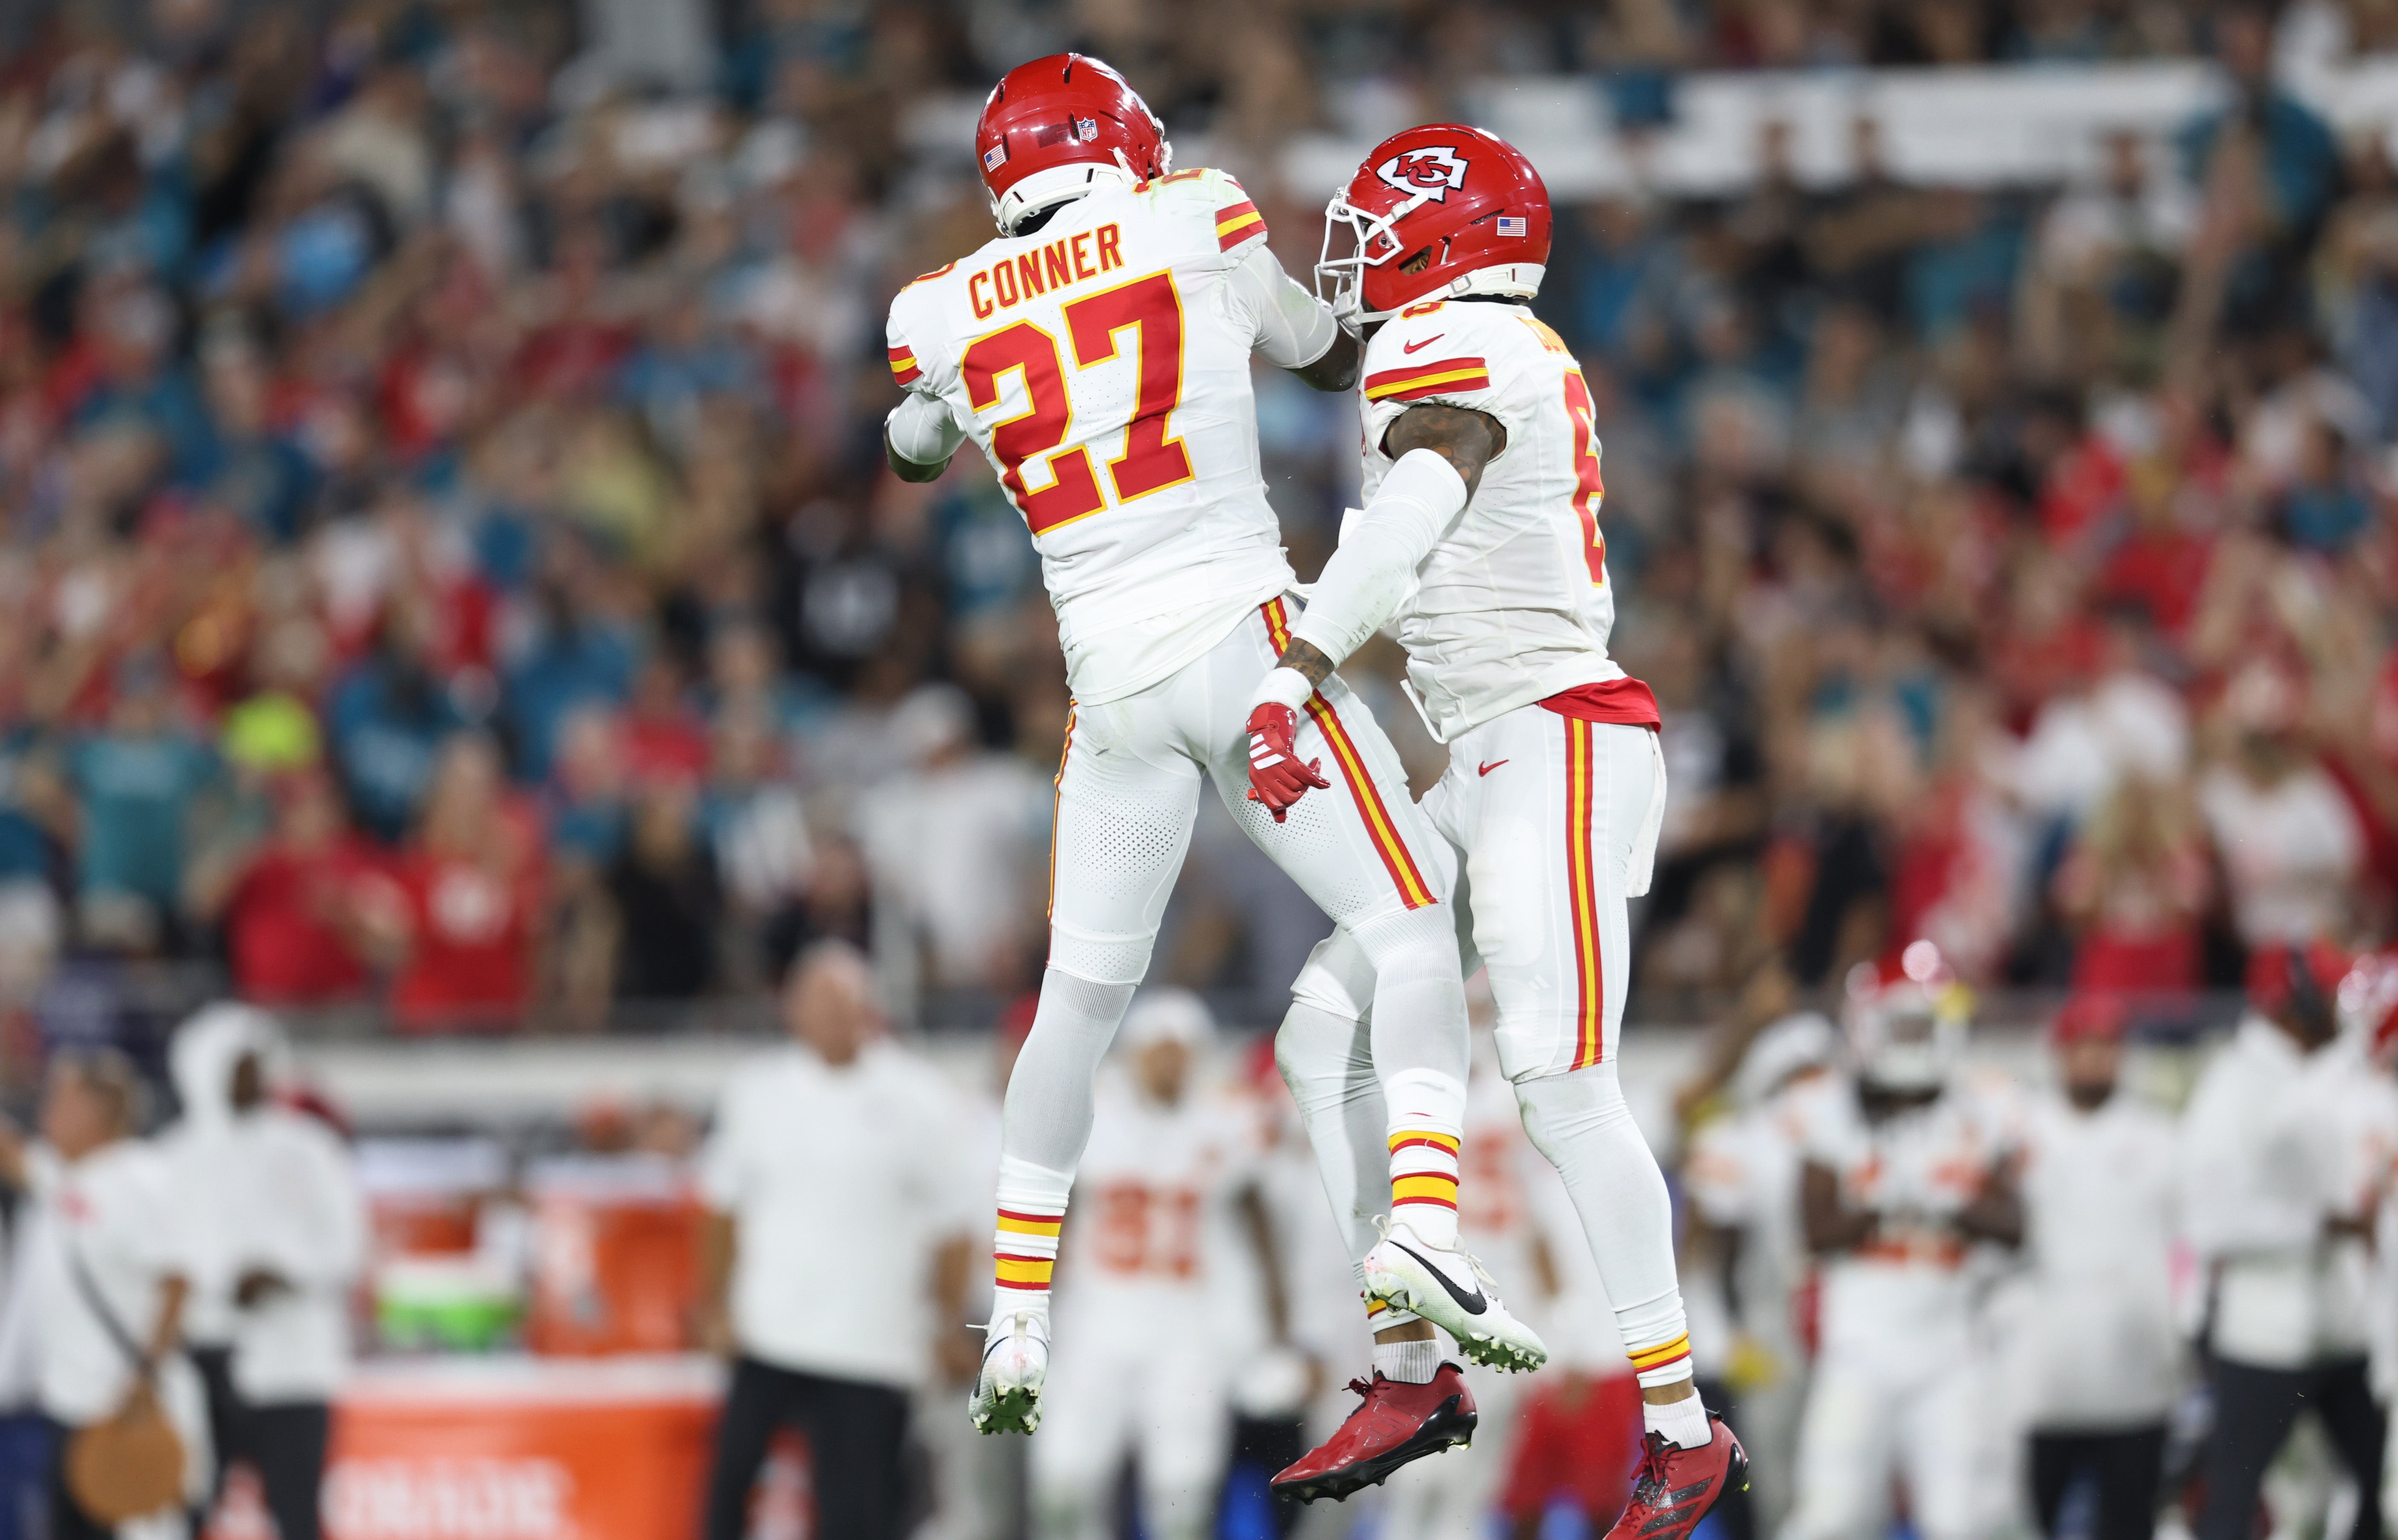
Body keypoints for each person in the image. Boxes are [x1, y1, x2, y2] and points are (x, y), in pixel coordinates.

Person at [879, 56, 1537, 1435]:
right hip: (1243, 645)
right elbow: (1317, 349)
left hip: (1109, 692)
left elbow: (915, 448)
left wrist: (930, 413)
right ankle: (1423, 1225)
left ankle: (1016, 1315)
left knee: (1076, 1004)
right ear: (1119, 141)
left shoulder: (931, 309)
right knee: (1414, 920)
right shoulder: (1196, 211)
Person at [1248, 124, 1739, 1529]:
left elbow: (1414, 509)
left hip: (1557, 739)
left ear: (1445, 241)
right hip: (1485, 750)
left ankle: (1681, 1429)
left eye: (1372, 234)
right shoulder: (1458, 341)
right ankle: (1413, 1372)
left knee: (1562, 1083)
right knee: (1319, 1035)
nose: (1351, 262)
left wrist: (1296, 671)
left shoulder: (1453, 342)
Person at [695, 941, 979, 1540]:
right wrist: (715, 1305)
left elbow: (955, 1227)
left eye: (843, 1002)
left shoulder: (920, 1098)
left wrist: (947, 1323)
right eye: (818, 1002)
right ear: (792, 1009)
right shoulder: (757, 1091)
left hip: (872, 1343)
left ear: (869, 1011)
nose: (830, 1016)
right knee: (728, 1490)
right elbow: (722, 1210)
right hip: (768, 1328)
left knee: (858, 1514)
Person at [1783, 945, 2023, 1540]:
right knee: (1832, 1517)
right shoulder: (1828, 1106)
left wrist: (1951, 1206)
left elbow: (2013, 1226)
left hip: (1951, 1347)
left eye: (1924, 1022)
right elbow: (1815, 1231)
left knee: (1960, 1521)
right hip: (1858, 1346)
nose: (1915, 1037)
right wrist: (1884, 1204)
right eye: (1903, 1023)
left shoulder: (1983, 1103)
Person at [1030, 990, 1280, 1540]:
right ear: (1132, 1054)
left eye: (1180, 1052)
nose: (1169, 1065)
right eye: (1158, 1052)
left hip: (1187, 1323)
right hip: (1098, 1314)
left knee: (1181, 1486)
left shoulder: (1225, 1120)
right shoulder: (1089, 1113)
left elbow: (1257, 1223)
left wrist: (1269, 1326)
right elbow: (1053, 1219)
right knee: (1065, 1476)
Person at [2183, 944, 2389, 1540]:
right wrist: (2319, 1225)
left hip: (2342, 1324)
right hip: (2265, 1333)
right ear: (2288, 1003)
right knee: (2232, 1502)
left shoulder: (2324, 1072)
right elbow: (2209, 1224)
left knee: (2376, 1484)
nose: (2341, 1010)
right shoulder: (2234, 1088)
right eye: (2327, 995)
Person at [161, 1003, 364, 1540]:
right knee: (186, 1513)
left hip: (292, 1363)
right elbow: (161, 1260)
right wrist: (218, 1285)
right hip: (201, 1360)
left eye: (257, 1065)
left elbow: (347, 1245)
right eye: (237, 1067)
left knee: (296, 1516)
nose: (252, 1080)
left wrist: (285, 1274)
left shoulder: (308, 1148)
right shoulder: (172, 1159)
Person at [0, 1049, 208, 1540]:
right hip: (69, 1407)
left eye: (62, 1102)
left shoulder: (142, 1179)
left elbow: (179, 1278)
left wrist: (146, 1374)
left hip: (127, 1409)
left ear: (99, 1111)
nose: (48, 1115)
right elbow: (14, 1158)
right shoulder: (69, 1176)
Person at [2013, 995, 2182, 1540]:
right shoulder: (2019, 1133)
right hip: (2039, 1373)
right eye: (2081, 1047)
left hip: (2134, 1372)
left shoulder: (2159, 1137)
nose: (2093, 1060)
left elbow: (2187, 1243)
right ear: (2059, 1054)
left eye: (2105, 1047)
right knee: (2026, 1520)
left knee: (2131, 1522)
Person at [1681, 1010, 1842, 1535]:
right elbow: (1719, 1246)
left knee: (1831, 1470)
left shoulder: (1847, 1130)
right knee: (1768, 1476)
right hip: (1763, 1323)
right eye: (1804, 1073)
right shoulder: (1738, 1138)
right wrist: (1738, 1330)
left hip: (1834, 1322)